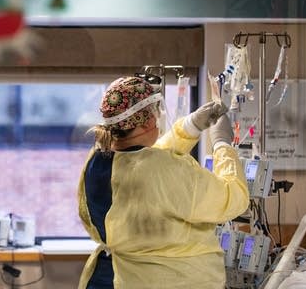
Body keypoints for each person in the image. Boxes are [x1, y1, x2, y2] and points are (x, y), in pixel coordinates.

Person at [77, 76, 250, 289]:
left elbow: (142, 163)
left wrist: (191, 126)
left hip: (116, 277)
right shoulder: (165, 170)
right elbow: (233, 199)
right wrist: (223, 145)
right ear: (149, 120)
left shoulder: (98, 161)